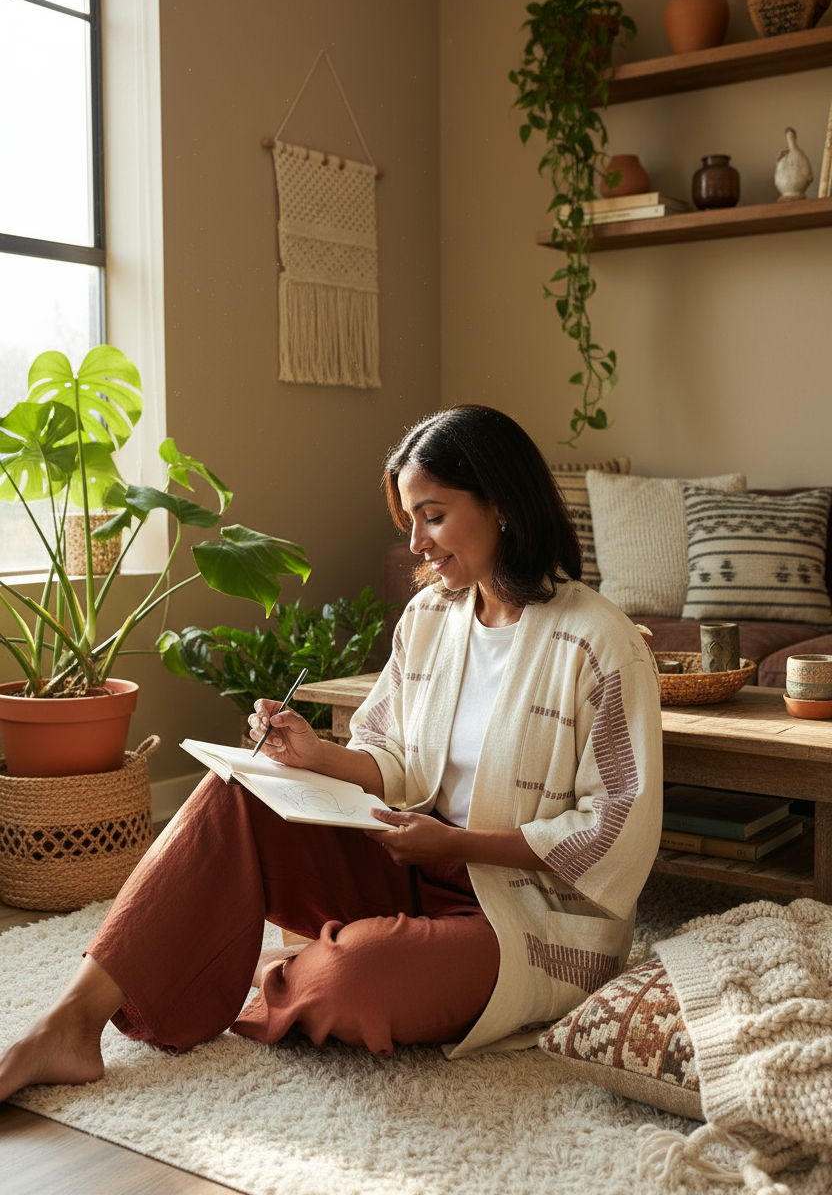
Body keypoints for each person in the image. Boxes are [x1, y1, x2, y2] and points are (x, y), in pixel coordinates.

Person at [0, 404, 662, 1099]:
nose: (416, 543)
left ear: (500, 503)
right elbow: (395, 761)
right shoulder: (430, 616)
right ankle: (68, 1024)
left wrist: (458, 844)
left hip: (528, 917)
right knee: (234, 792)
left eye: (433, 516)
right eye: (409, 521)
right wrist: (315, 754)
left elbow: (616, 826)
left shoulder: (599, 641)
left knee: (348, 981)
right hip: (415, 861)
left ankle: (289, 964)